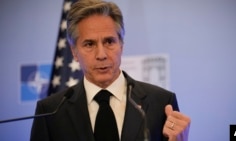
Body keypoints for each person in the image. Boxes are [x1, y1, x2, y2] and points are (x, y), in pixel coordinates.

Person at [30, 0, 191, 141]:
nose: (101, 55)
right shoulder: (50, 112)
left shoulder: (162, 102)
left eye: (109, 41)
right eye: (89, 44)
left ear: (121, 45)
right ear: (74, 52)